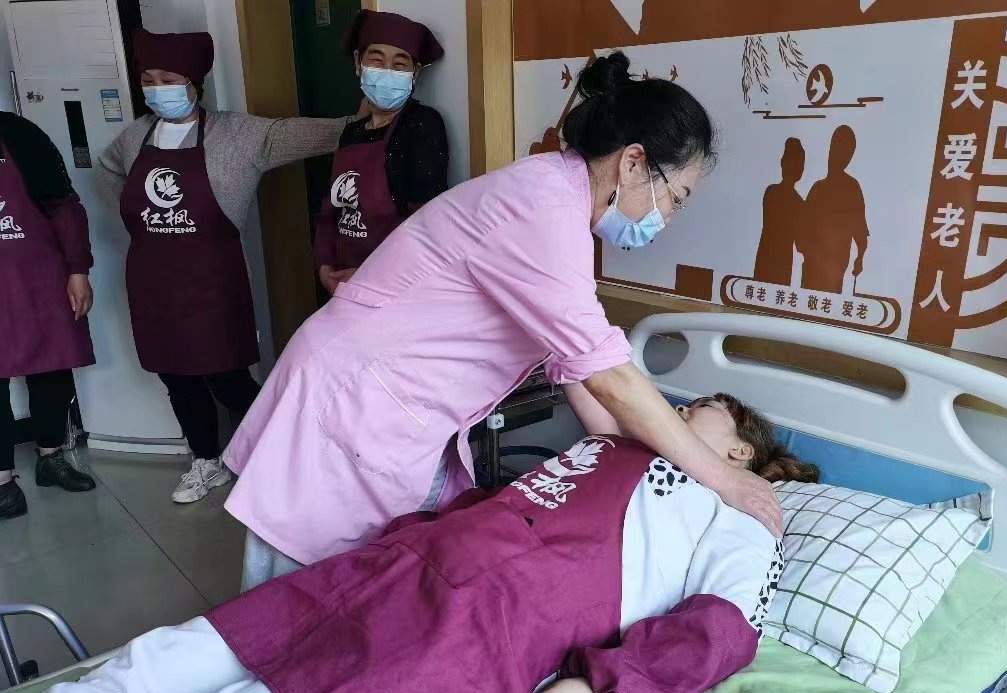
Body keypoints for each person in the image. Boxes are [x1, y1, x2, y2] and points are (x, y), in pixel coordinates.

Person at [0, 393, 819, 693]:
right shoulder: (614, 446)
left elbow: (720, 632)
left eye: (698, 411)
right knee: (137, 679)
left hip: (468, 635)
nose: (673, 411)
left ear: (741, 452)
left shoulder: (737, 510)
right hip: (387, 572)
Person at [228, 52, 785, 590]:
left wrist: (631, 460)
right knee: (287, 605)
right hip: (350, 402)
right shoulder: (544, 211)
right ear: (634, 163)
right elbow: (609, 377)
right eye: (676, 198)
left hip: (387, 405)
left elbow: (579, 367)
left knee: (364, 592)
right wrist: (723, 479)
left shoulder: (557, 202)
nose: (667, 218)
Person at [98, 29, 352, 505]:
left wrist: (366, 121)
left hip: (212, 280)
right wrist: (143, 218)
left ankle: (283, 453)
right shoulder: (135, 136)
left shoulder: (239, 134)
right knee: (175, 375)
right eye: (149, 80)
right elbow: (110, 167)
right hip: (151, 279)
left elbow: (306, 134)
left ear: (195, 83)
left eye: (169, 79)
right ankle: (206, 461)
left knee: (227, 376)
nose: (157, 89)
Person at [0, 112, 97, 521]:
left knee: (51, 370)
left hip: (39, 276)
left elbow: (63, 206)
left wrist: (77, 269)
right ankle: (3, 483)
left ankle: (50, 458)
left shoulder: (19, 134)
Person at [316, 10, 448, 295]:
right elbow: (330, 212)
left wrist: (370, 274)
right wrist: (324, 265)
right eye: (376, 60)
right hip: (341, 281)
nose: (387, 71)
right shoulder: (351, 133)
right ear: (358, 63)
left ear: (414, 73)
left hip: (395, 285)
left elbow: (426, 222)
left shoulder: (422, 124)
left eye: (400, 64)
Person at [799, 124, 869, 294]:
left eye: (844, 151)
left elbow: (860, 230)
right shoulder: (818, 188)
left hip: (833, 269)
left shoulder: (851, 188)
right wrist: (807, 250)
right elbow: (801, 229)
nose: (836, 154)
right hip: (813, 266)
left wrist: (860, 257)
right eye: (836, 147)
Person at [753, 137, 805, 286]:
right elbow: (801, 244)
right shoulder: (797, 203)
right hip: (778, 261)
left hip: (769, 258)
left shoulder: (772, 192)